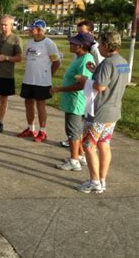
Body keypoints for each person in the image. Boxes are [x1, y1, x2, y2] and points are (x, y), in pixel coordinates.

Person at [75, 31, 130, 193]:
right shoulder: (123, 62)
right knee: (104, 144)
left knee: (89, 146)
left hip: (99, 111)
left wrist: (84, 80)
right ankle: (102, 180)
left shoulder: (107, 63)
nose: (97, 47)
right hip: (113, 111)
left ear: (106, 45)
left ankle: (94, 182)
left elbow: (100, 86)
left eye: (99, 43)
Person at [50, 33, 96, 171]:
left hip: (76, 101)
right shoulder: (80, 58)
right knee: (75, 130)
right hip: (72, 100)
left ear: (80, 46)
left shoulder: (86, 60)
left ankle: (74, 161)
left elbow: (82, 84)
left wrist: (59, 89)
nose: (70, 45)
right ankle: (80, 155)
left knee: (72, 131)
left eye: (72, 43)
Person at [59, 19, 103, 148]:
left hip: (83, 94)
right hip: (77, 93)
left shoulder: (93, 51)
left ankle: (77, 152)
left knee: (78, 125)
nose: (74, 40)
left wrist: (59, 89)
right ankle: (77, 146)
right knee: (76, 126)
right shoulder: (79, 54)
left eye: (82, 33)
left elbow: (97, 70)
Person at [17, 19, 61, 142]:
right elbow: (26, 58)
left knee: (41, 105)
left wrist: (48, 75)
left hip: (42, 81)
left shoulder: (49, 44)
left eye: (33, 28)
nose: (30, 30)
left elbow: (56, 62)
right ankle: (30, 128)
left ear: (40, 30)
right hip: (28, 79)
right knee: (28, 103)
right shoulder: (29, 43)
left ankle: (43, 131)